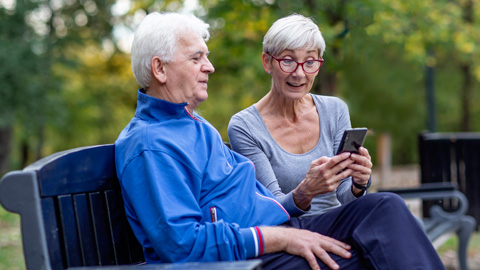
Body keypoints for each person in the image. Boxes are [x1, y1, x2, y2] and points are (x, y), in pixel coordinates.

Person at [115, 11, 445, 270]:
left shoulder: (194, 126)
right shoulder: (150, 145)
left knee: (383, 208)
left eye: (206, 56)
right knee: (374, 254)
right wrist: (280, 237)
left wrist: (353, 185)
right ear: (159, 69)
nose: (210, 67)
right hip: (246, 260)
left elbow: (262, 204)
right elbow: (183, 245)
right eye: (196, 58)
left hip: (275, 234)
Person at [228, 14, 372, 217]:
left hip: (339, 223)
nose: (299, 73)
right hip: (293, 233)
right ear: (267, 62)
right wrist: (306, 191)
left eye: (310, 62)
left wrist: (359, 183)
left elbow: (345, 196)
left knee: (387, 204)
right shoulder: (245, 126)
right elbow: (271, 208)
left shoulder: (335, 110)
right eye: (288, 61)